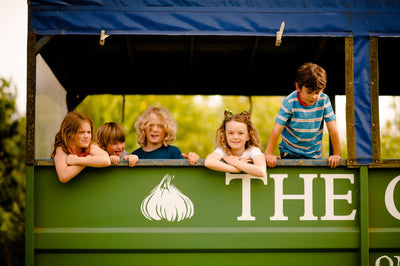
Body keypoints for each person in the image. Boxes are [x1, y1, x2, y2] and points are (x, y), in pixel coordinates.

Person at [264, 62, 341, 168]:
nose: (313, 97)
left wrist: (336, 154)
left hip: (313, 155)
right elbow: (277, 129)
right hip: (290, 152)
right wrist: (269, 153)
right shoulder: (290, 101)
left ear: (322, 89)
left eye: (317, 92)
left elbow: (333, 129)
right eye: (309, 92)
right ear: (298, 87)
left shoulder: (324, 100)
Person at [51, 111, 111, 183]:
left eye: (89, 132)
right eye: (81, 132)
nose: (86, 136)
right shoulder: (62, 149)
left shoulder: (90, 146)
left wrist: (78, 160)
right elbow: (63, 176)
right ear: (69, 134)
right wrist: (89, 159)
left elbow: (106, 160)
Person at [204, 109, 266, 177]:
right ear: (224, 135)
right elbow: (209, 162)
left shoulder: (252, 150)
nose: (235, 137)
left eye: (240, 133)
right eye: (230, 133)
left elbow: (261, 171)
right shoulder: (223, 150)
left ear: (248, 136)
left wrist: (235, 162)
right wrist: (235, 169)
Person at [131, 106, 200, 165]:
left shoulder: (174, 153)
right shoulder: (134, 156)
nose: (154, 129)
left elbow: (184, 176)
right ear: (143, 128)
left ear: (167, 130)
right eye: (150, 125)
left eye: (160, 126)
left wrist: (192, 159)